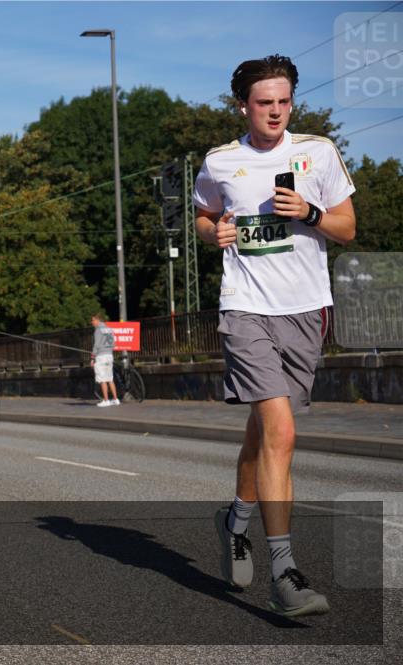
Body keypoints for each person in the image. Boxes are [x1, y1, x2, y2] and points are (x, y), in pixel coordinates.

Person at [194, 54, 355, 617]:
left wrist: (310, 213)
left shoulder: (318, 152)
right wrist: (213, 232)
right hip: (245, 308)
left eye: (284, 101)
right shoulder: (220, 161)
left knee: (264, 431)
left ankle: (234, 521)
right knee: (281, 432)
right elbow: (204, 214)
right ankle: (284, 573)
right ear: (243, 106)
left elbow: (347, 227)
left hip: (305, 309)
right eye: (265, 102)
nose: (277, 112)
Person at [90, 314, 119, 407]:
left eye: (93, 320)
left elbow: (96, 345)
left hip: (101, 356)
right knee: (110, 378)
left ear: (98, 320)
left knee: (102, 379)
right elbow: (113, 344)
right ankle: (115, 399)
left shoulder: (98, 330)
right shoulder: (109, 329)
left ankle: (106, 400)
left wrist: (92, 358)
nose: (92, 322)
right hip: (109, 355)